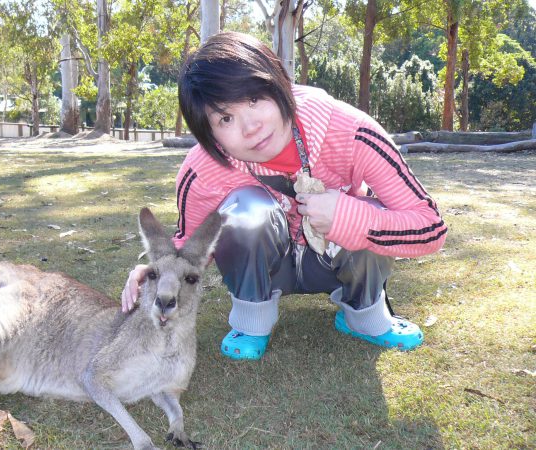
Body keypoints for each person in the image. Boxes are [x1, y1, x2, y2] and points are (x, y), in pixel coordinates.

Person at [122, 32, 447, 360]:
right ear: (208, 134)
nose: (250, 126)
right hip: (268, 267)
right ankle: (252, 322)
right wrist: (156, 272)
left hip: (335, 258)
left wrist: (348, 216)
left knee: (362, 209)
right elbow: (193, 248)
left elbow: (430, 227)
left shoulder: (351, 131)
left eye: (253, 99)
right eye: (225, 118)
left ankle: (365, 316)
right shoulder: (203, 169)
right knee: (246, 210)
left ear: (278, 84)